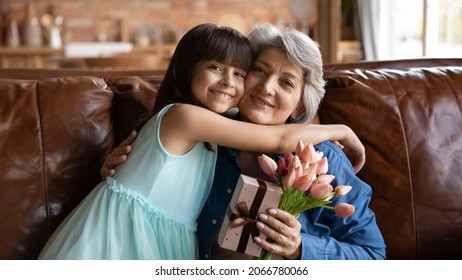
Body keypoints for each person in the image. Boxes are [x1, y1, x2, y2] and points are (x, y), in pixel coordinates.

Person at [39, 23, 366, 260]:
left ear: (300, 105)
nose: (266, 87)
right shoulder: (209, 133)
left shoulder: (324, 161)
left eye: (286, 82)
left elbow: (372, 257)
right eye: (257, 70)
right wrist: (344, 130)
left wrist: (300, 250)